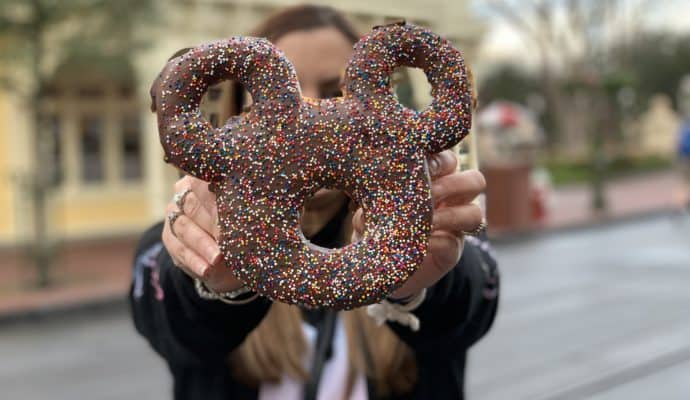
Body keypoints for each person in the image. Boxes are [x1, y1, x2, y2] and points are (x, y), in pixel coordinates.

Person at [130, 4, 499, 400]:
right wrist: (209, 282)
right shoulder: (177, 234)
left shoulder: (427, 215)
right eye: (285, 100)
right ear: (232, 118)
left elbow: (474, 300)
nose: (312, 123)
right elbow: (169, 323)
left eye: (332, 92)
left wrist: (421, 287)